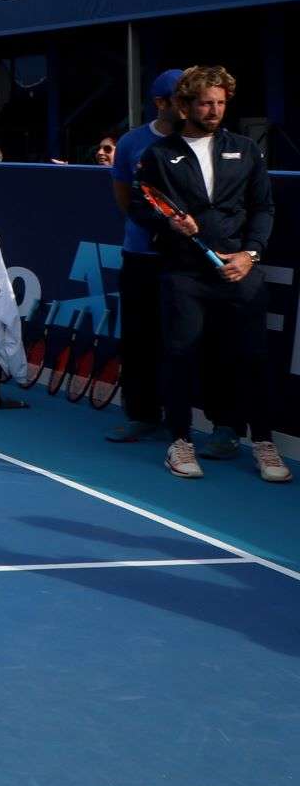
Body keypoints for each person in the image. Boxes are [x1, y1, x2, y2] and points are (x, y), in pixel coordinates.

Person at [128, 66, 285, 483]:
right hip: (184, 274)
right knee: (180, 357)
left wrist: (250, 255)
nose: (214, 110)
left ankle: (264, 443)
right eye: (205, 103)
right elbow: (141, 206)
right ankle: (180, 441)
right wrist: (169, 224)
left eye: (220, 103)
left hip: (240, 272)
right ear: (185, 105)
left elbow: (263, 208)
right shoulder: (159, 155)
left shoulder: (246, 149)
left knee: (252, 357)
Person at [102, 69, 182, 444]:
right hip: (140, 255)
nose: (187, 107)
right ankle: (142, 414)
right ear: (160, 103)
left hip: (187, 260)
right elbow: (124, 200)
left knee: (185, 339)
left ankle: (188, 419)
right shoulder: (134, 143)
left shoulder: (202, 141)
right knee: (139, 338)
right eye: (178, 100)